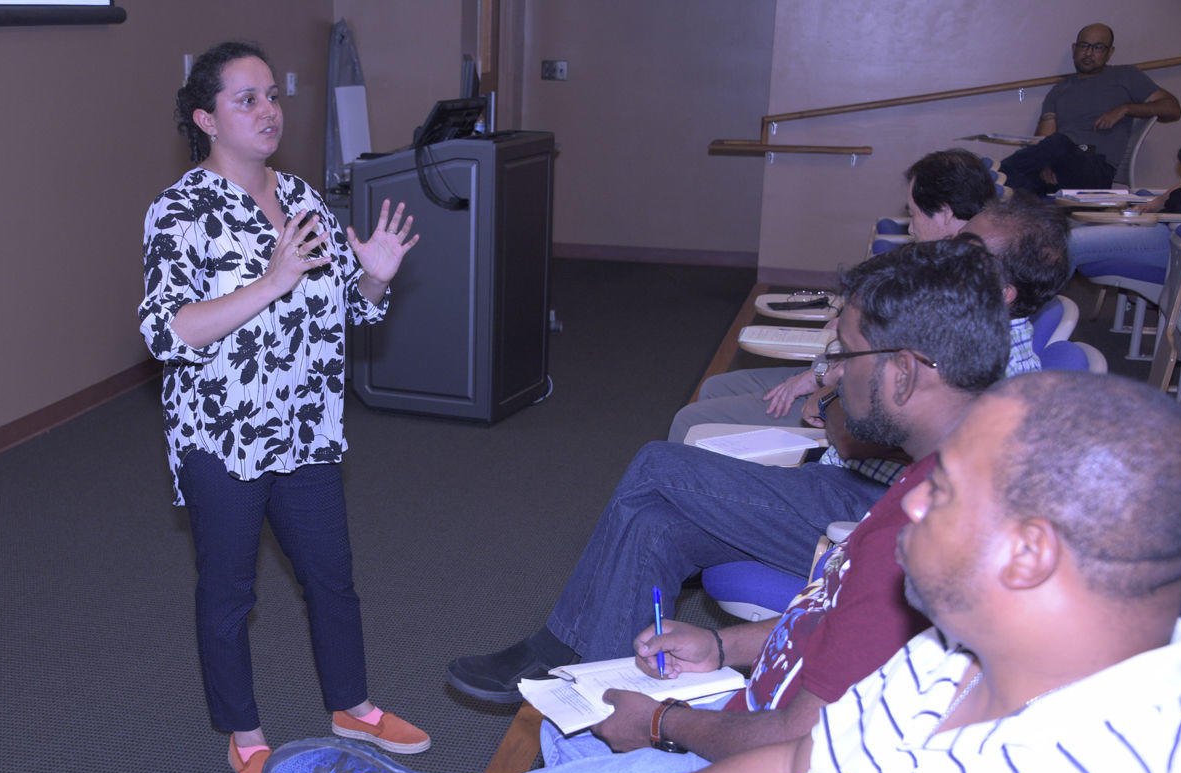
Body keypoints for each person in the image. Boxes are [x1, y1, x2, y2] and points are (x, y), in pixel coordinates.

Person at [265, 369, 1181, 773]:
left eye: (942, 489)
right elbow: (801, 765)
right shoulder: (968, 640)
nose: (906, 502)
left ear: (1029, 554)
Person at [446, 204, 1068, 704]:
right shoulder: (964, 342)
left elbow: (852, 434)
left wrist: (831, 399)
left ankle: (564, 651)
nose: (953, 245)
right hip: (846, 485)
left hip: (858, 507)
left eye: (971, 249)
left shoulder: (989, 376)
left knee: (657, 465)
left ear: (1007, 292)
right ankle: (604, 690)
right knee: (655, 523)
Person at [504, 236, 1010, 773]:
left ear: (905, 375)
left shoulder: (924, 530)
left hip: (772, 772)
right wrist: (724, 648)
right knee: (568, 728)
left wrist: (659, 724)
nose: (834, 374)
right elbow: (842, 621)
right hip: (769, 710)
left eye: (844, 355)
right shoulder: (945, 471)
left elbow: (797, 746)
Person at [137, 41, 427, 773]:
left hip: (305, 429)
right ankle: (246, 734)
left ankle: (353, 707)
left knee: (333, 578)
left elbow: (338, 314)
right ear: (206, 118)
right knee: (230, 592)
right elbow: (170, 332)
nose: (270, 112)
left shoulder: (301, 197)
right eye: (248, 100)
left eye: (272, 96)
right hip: (223, 438)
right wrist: (270, 281)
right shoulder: (178, 212)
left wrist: (373, 277)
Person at [668, 148, 998, 443]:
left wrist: (820, 382)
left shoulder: (957, 284)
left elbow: (889, 378)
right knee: (713, 388)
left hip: (848, 403)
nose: (910, 228)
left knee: (690, 420)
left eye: (913, 214)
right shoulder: (953, 262)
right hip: (842, 379)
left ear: (944, 212)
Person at [1001, 23, 1181, 197]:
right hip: (1058, 167)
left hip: (1095, 169)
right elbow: (1043, 142)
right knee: (1018, 186)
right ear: (1074, 49)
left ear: (1110, 53)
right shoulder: (1058, 91)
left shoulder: (1126, 76)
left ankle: (992, 175)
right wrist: (1045, 165)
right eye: (1084, 46)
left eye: (1098, 47)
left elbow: (1172, 108)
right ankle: (989, 183)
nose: (1088, 53)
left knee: (1059, 143)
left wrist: (1126, 109)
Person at [1069, 138, 1181, 279]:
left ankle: (1046, 299)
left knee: (1070, 244)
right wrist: (1157, 202)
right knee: (1061, 238)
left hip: (1178, 241)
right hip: (1167, 225)